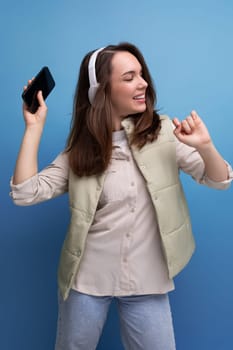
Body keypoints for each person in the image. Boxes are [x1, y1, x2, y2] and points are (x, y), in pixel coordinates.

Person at [10, 42, 232, 350]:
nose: (143, 83)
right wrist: (33, 128)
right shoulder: (80, 150)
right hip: (86, 281)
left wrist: (205, 146)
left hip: (147, 279)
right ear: (101, 90)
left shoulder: (165, 132)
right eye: (129, 77)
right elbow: (24, 193)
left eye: (141, 74)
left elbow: (219, 180)